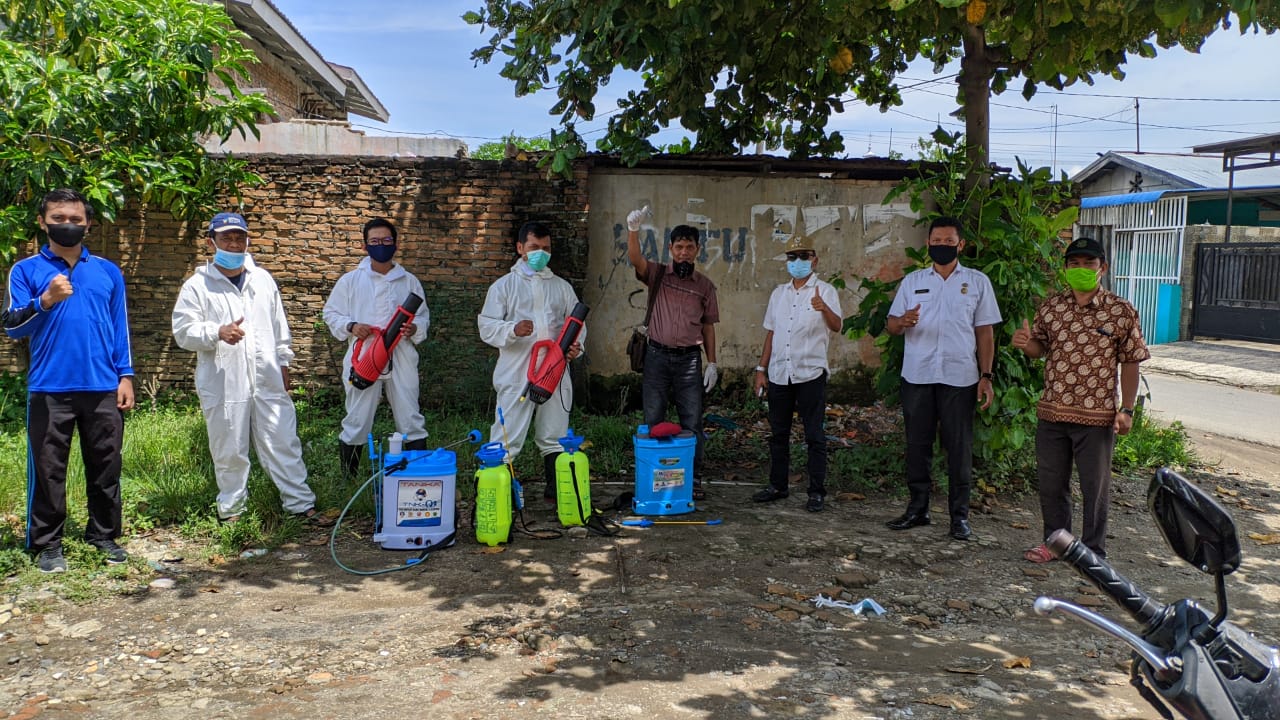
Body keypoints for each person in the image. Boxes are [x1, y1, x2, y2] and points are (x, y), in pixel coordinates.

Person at [3, 188, 135, 573]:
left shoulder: (107, 271)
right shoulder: (26, 270)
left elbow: (119, 328)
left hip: (102, 387)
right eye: (59, 218)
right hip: (49, 388)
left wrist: (125, 375)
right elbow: (12, 328)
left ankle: (103, 535)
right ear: (43, 222)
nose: (68, 225)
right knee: (48, 471)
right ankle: (48, 545)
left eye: (76, 220)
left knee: (106, 467)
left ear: (89, 224)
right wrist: (45, 300)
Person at [171, 212, 331, 526]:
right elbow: (183, 332)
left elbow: (278, 325)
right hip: (224, 380)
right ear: (211, 242)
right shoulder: (198, 286)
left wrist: (284, 362)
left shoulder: (262, 280)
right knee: (229, 445)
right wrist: (216, 332)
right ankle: (232, 510)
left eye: (239, 237)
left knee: (283, 439)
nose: (233, 243)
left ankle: (300, 504)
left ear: (247, 240)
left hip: (268, 375)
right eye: (226, 238)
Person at [1013, 236, 1149, 562]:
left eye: (1089, 263)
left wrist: (1126, 410)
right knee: (1051, 484)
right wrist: (1025, 343)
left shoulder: (1120, 311)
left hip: (1097, 416)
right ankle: (1055, 543)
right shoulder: (1052, 307)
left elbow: (1131, 362)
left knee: (1095, 489)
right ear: (1065, 269)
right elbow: (1039, 349)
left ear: (1103, 268)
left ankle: (1092, 553)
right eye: (1074, 264)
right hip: (1052, 412)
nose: (1081, 269)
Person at [884, 216, 1001, 541]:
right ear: (928, 244)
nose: (943, 246)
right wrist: (901, 322)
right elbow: (891, 325)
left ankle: (959, 517)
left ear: (961, 245)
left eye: (949, 242)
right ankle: (917, 509)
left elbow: (985, 332)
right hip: (918, 375)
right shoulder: (913, 281)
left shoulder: (977, 282)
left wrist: (985, 375)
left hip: (960, 377)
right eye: (937, 241)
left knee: (959, 447)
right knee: (917, 444)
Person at [477, 221, 584, 499]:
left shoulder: (561, 287)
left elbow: (577, 325)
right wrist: (512, 330)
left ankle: (556, 491)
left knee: (555, 434)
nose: (541, 253)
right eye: (534, 247)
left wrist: (576, 348)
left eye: (546, 248)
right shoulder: (504, 287)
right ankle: (498, 494)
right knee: (507, 434)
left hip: (556, 371)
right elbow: (486, 326)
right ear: (520, 248)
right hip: (517, 372)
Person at [323, 218, 429, 479]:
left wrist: (414, 329)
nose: (381, 245)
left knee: (410, 416)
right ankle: (350, 480)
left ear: (395, 244)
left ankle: (415, 476)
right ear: (364, 246)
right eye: (375, 241)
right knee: (358, 417)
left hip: (401, 354)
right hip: (364, 355)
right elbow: (331, 313)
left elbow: (423, 315)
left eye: (386, 241)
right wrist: (351, 325)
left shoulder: (409, 281)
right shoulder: (350, 281)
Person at [625, 210, 720, 498]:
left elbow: (708, 327)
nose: (684, 252)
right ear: (670, 249)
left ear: (697, 250)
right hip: (656, 356)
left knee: (692, 420)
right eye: (678, 247)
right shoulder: (657, 275)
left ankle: (693, 479)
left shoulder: (705, 287)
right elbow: (635, 259)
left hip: (690, 360)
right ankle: (657, 474)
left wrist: (712, 363)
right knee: (654, 417)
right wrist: (633, 230)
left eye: (689, 247)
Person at [751, 235, 843, 513]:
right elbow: (772, 332)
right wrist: (761, 369)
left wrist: (823, 308)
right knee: (778, 434)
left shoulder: (825, 291)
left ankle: (816, 491)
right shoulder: (779, 293)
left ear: (815, 260)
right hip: (780, 373)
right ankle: (778, 485)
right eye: (792, 257)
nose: (798, 262)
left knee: (814, 434)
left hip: (810, 373)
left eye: (804, 256)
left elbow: (837, 326)